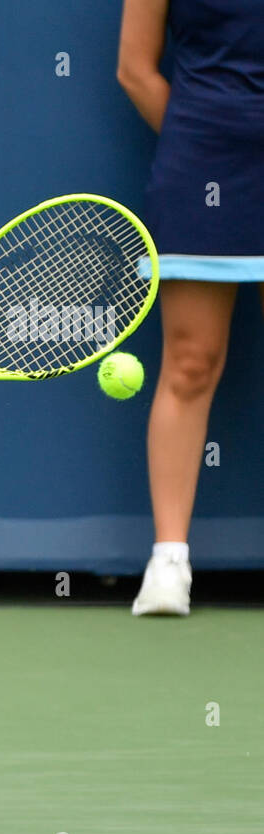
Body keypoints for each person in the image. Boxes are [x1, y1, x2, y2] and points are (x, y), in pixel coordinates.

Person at [118, 0, 264, 615]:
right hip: (206, 162)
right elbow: (135, 68)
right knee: (191, 361)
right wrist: (201, 137)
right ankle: (169, 560)